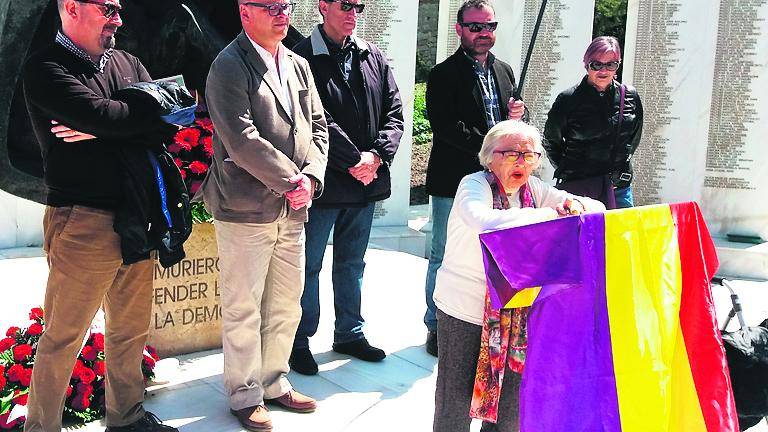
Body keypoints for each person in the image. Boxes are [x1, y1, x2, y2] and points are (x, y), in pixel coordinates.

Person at [22, 0, 182, 431]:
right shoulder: (46, 68)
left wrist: (109, 125)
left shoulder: (127, 62)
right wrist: (115, 121)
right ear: (71, 7)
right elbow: (109, 116)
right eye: (109, 8)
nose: (119, 18)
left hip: (138, 215)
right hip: (83, 222)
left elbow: (174, 117)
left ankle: (126, 420)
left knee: (129, 331)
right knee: (62, 338)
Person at [198, 1, 329, 431]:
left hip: (293, 207)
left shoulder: (296, 63)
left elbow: (318, 126)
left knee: (287, 304)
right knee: (243, 307)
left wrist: (311, 178)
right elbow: (241, 138)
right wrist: (293, 181)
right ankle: (243, 393)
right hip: (244, 208)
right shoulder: (228, 65)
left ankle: (274, 381)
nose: (281, 13)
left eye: (286, 5)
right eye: (270, 6)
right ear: (244, 12)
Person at [432, 120, 605, 432]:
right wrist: (549, 215)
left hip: (518, 311)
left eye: (530, 156)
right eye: (513, 154)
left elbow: (595, 207)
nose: (522, 163)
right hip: (465, 309)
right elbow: (484, 221)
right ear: (491, 156)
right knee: (455, 400)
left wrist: (573, 204)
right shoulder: (473, 185)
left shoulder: (534, 190)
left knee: (512, 403)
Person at [288, 0, 403, 375]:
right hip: (324, 183)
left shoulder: (373, 55)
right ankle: (299, 340)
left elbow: (395, 112)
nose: (353, 12)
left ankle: (350, 333)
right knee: (308, 266)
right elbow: (313, 119)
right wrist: (354, 160)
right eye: (345, 4)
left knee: (352, 263)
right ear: (322, 6)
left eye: (359, 5)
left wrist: (376, 156)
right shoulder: (301, 57)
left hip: (364, 183)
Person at [422, 0, 527, 356]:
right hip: (454, 176)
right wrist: (491, 152)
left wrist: (517, 115)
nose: (484, 35)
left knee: (489, 251)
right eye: (476, 27)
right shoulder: (442, 74)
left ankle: (483, 318)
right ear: (459, 29)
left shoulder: (505, 70)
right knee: (443, 252)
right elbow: (447, 126)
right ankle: (436, 324)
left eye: (490, 27)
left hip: (498, 180)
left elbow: (509, 124)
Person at [543, 36, 643, 209]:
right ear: (586, 64)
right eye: (596, 64)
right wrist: (570, 170)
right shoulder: (568, 100)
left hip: (617, 187)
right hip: (580, 187)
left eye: (610, 64)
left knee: (621, 235)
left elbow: (633, 138)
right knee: (580, 236)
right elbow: (551, 141)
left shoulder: (630, 97)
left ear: (617, 65)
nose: (603, 71)